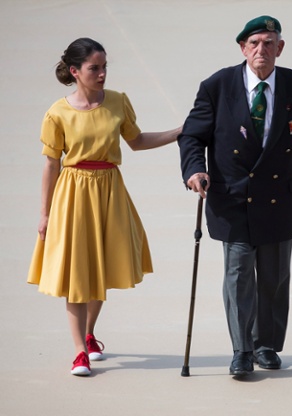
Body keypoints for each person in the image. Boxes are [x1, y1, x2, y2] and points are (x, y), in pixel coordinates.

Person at [178, 15, 292, 377]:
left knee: (273, 277)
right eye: (254, 43)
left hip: (278, 198)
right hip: (232, 198)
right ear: (242, 48)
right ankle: (241, 349)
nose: (261, 50)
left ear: (280, 48)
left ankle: (266, 344)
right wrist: (193, 169)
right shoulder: (217, 86)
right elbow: (192, 135)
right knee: (238, 276)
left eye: (269, 43)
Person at [27, 38, 181, 376]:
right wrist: (45, 212)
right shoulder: (58, 112)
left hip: (110, 189)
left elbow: (137, 141)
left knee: (101, 268)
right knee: (77, 274)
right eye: (94, 68)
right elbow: (51, 164)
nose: (102, 74)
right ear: (75, 71)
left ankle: (89, 333)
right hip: (73, 193)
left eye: (104, 67)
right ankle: (79, 352)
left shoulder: (117, 102)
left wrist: (179, 132)